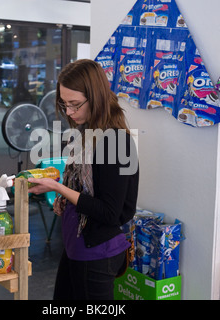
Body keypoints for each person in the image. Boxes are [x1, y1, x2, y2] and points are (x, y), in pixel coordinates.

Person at [27, 59, 139, 300]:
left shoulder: (115, 142)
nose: (68, 112)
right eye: (64, 104)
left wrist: (57, 187)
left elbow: (110, 212)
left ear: (95, 97)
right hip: (77, 244)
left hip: (97, 251)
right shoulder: (85, 134)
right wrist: (58, 181)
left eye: (75, 105)